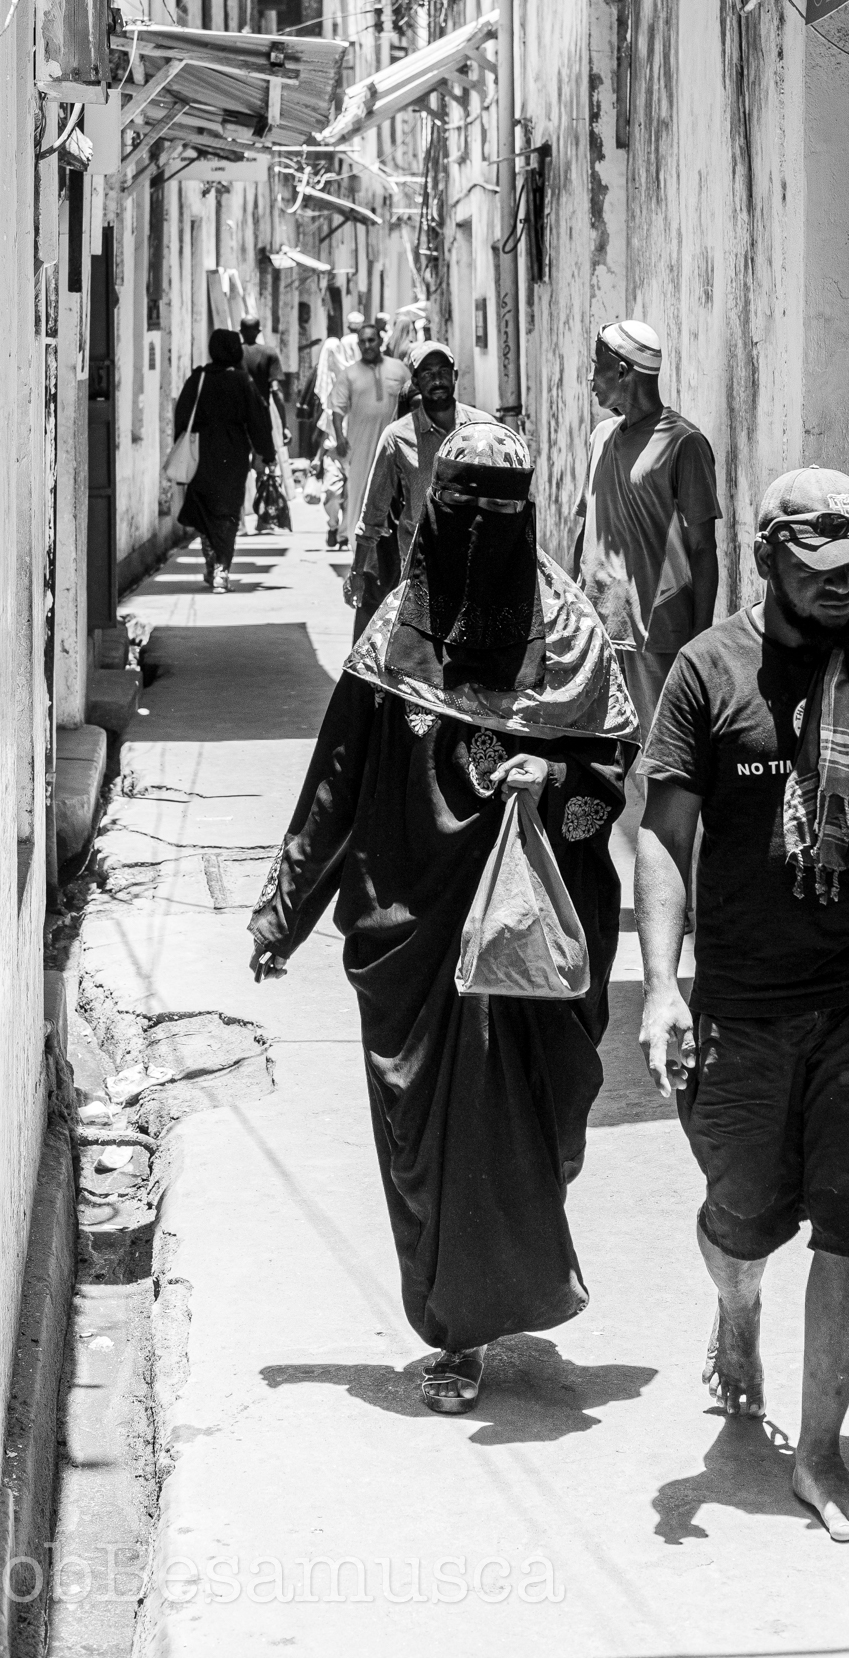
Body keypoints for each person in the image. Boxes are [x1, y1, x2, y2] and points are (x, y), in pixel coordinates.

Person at [248, 425, 639, 1414]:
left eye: (502, 505)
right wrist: (285, 906)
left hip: (527, 931)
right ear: (433, 507)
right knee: (430, 1135)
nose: (481, 522)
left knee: (528, 1126)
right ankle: (458, 1332)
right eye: (463, 500)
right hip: (415, 930)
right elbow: (339, 774)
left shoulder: (571, 637)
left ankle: (498, 1290)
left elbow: (607, 773)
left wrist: (553, 776)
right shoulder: (396, 634)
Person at [634, 465, 849, 1544]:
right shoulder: (707, 670)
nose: (842, 586)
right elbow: (664, 834)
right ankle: (736, 1309)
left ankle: (819, 1454)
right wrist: (661, 986)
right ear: (767, 558)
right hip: (745, 1004)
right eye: (819, 567)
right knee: (741, 1217)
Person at [574, 320, 722, 743]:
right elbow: (586, 530)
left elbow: (703, 550)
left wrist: (699, 647)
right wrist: (569, 606)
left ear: (622, 371)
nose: (591, 379)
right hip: (596, 630)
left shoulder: (684, 443)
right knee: (600, 760)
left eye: (597, 366)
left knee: (659, 756)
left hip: (657, 637)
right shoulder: (601, 436)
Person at [343, 340, 494, 639]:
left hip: (478, 565)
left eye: (443, 371)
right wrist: (358, 572)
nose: (437, 379)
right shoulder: (397, 437)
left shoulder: (484, 427)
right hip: (421, 570)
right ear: (415, 380)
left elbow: (511, 499)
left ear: (455, 376)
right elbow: (373, 512)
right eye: (427, 373)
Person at [172, 329, 273, 593]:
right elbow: (258, 419)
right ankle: (221, 570)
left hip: (201, 456)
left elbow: (181, 417)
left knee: (205, 511)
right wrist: (267, 453)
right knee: (227, 514)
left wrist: (182, 445)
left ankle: (212, 564)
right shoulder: (242, 381)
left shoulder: (198, 378)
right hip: (233, 456)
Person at [329, 318, 410, 554]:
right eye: (362, 342)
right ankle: (358, 554)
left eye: (371, 340)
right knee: (359, 497)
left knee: (395, 498)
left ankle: (393, 555)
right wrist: (340, 439)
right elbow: (337, 409)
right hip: (361, 448)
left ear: (380, 341)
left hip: (396, 448)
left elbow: (413, 400)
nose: (367, 345)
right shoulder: (349, 374)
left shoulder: (399, 369)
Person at [314, 306, 364, 549]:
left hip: (356, 453)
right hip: (334, 454)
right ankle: (333, 525)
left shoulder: (361, 391)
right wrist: (317, 458)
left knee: (352, 496)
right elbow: (327, 428)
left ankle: (343, 535)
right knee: (333, 493)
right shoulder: (335, 394)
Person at [238, 320, 291, 534]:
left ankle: (239, 522)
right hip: (261, 419)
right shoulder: (269, 353)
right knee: (263, 469)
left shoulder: (235, 354)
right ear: (259, 331)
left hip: (238, 420)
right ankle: (262, 520)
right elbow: (276, 391)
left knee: (240, 471)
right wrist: (284, 425)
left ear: (241, 332)